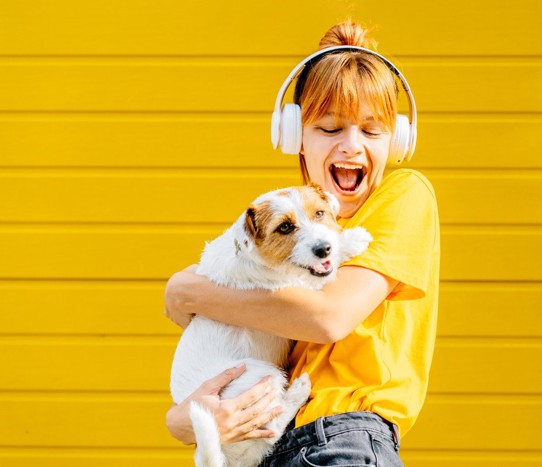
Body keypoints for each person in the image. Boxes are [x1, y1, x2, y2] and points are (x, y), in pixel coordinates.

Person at [164, 19, 440, 466]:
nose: (352, 146)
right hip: (278, 442)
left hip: (344, 437)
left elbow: (329, 318)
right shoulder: (287, 230)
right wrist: (182, 420)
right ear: (293, 136)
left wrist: (189, 290)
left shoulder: (404, 194)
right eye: (330, 129)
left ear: (399, 139)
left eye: (372, 131)